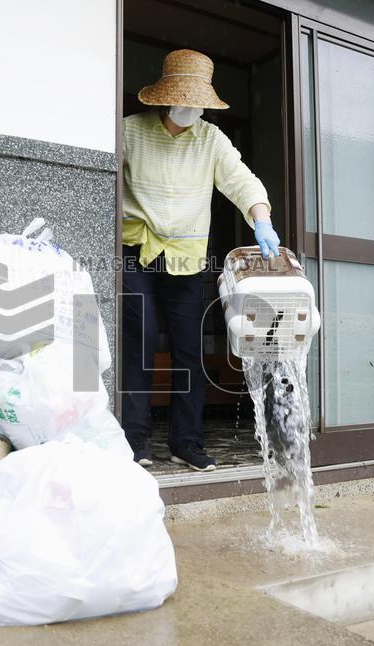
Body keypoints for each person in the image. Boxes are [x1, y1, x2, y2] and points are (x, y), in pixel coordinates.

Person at [122, 49, 280, 471]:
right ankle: (134, 441)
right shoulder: (130, 132)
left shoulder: (210, 139)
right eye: (184, 99)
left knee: (188, 351)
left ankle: (186, 442)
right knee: (139, 341)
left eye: (198, 102)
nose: (191, 108)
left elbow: (240, 179)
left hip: (188, 261)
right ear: (164, 96)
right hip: (137, 253)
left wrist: (260, 219)